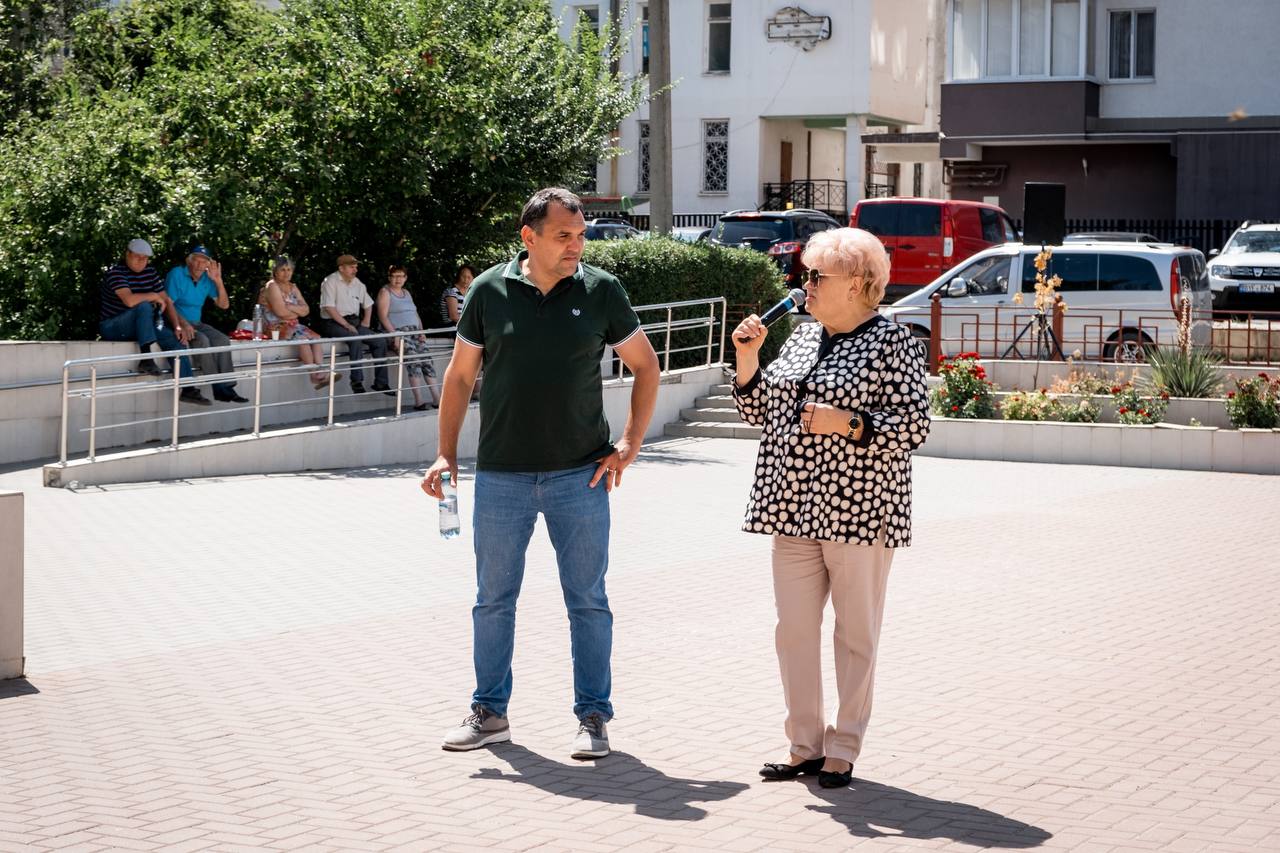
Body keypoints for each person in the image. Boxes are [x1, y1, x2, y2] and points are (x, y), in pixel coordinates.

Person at [421, 188, 660, 760]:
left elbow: (647, 366)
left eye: (580, 235)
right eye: (563, 236)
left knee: (588, 601)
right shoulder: (488, 291)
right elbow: (458, 378)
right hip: (502, 476)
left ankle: (594, 718)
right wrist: (445, 455)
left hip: (580, 477)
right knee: (493, 601)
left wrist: (629, 443)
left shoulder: (602, 291)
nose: (576, 246)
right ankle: (490, 712)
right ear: (529, 238)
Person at [731, 227, 930, 790]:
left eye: (819, 276)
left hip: (861, 513)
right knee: (792, 631)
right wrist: (748, 362)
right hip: (790, 507)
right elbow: (761, 412)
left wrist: (848, 423)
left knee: (854, 635)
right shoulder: (797, 336)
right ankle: (803, 746)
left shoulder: (893, 343)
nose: (806, 284)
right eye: (806, 274)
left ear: (861, 284)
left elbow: (915, 426)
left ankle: (844, 746)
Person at [98, 238, 209, 406]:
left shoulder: (149, 272)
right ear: (127, 254)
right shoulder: (116, 272)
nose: (141, 261)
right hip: (113, 326)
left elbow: (167, 300)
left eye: (145, 258)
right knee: (143, 306)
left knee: (175, 339)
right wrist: (153, 296)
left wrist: (178, 326)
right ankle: (146, 358)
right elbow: (129, 301)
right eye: (137, 257)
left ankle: (188, 389)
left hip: (141, 326)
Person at [165, 245, 248, 403]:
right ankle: (218, 388)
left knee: (223, 340)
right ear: (189, 261)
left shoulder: (206, 279)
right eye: (196, 260)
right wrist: (182, 324)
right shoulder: (177, 274)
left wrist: (218, 281)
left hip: (196, 322)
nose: (199, 265)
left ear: (208, 265)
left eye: (204, 262)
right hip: (175, 321)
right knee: (202, 340)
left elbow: (224, 305)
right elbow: (168, 304)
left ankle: (228, 387)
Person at [317, 254, 391, 395]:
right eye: (352, 267)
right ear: (341, 268)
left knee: (380, 341)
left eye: (356, 267)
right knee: (355, 339)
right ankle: (356, 381)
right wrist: (346, 324)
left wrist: (366, 320)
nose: (355, 269)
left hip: (354, 323)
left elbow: (368, 304)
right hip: (332, 322)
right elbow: (329, 308)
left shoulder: (357, 283)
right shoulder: (330, 281)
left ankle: (381, 383)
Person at [376, 265, 441, 411]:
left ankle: (437, 399)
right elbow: (383, 316)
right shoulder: (385, 292)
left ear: (405, 278)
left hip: (414, 332)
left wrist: (421, 331)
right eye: (395, 276)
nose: (398, 279)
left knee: (427, 360)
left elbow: (415, 313)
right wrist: (395, 335)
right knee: (413, 359)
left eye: (401, 276)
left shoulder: (406, 292)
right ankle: (419, 401)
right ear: (389, 277)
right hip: (398, 332)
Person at [259, 256, 328, 390]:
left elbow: (306, 310)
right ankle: (314, 374)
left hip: (292, 325)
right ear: (275, 271)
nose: (286, 273)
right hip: (274, 327)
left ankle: (320, 371)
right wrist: (296, 311)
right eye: (282, 270)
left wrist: (290, 307)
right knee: (302, 339)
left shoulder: (293, 287)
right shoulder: (272, 286)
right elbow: (280, 312)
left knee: (316, 338)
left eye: (289, 269)